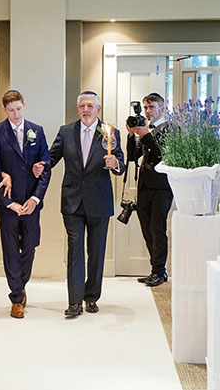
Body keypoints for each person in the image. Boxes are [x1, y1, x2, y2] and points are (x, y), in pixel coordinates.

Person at [49, 91, 125, 316]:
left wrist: (116, 163)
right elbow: (51, 157)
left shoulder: (110, 133)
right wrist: (39, 166)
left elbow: (121, 163)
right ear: (78, 108)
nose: (86, 110)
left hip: (99, 201)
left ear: (98, 110)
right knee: (75, 250)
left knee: (97, 251)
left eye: (90, 106)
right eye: (82, 105)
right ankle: (74, 302)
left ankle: (91, 297)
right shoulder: (66, 132)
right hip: (72, 201)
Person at [0, 90, 51, 318]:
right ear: (4, 109)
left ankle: (20, 285)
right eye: (11, 110)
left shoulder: (37, 131)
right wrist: (9, 203)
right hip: (8, 204)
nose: (15, 113)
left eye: (18, 109)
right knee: (10, 249)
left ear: (24, 105)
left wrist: (35, 199)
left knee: (30, 245)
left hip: (31, 201)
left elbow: (45, 167)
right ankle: (16, 298)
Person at [126, 93, 172, 287]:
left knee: (157, 229)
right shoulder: (145, 130)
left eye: (151, 107)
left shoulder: (170, 128)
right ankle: (155, 270)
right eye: (145, 107)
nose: (148, 111)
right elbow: (131, 157)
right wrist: (131, 135)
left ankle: (160, 272)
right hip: (144, 186)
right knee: (147, 230)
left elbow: (163, 154)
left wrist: (145, 135)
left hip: (162, 187)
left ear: (162, 108)